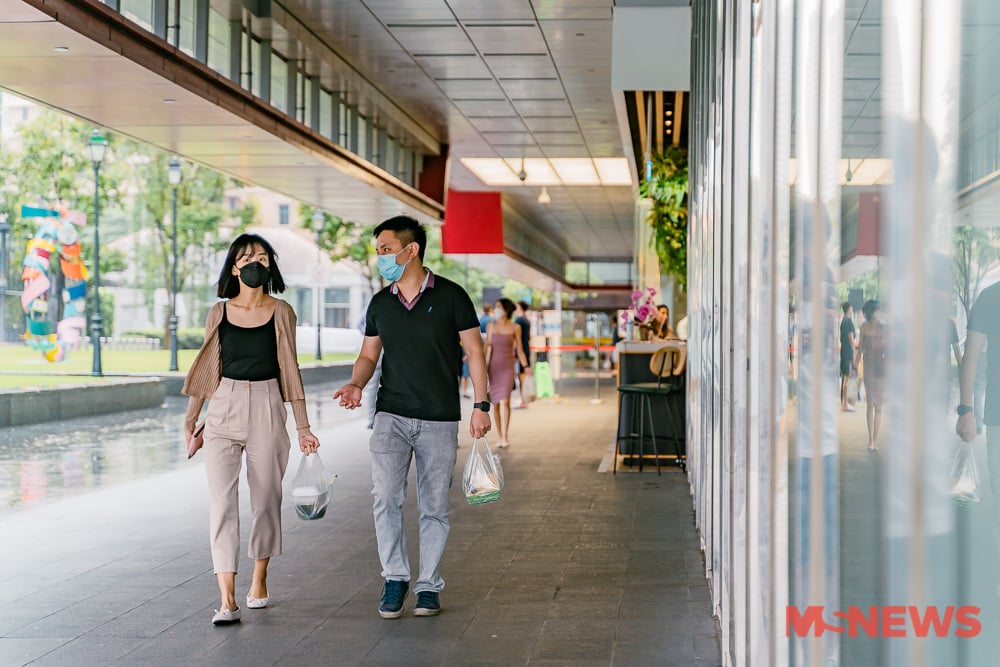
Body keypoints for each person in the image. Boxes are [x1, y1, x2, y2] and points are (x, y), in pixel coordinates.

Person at [332, 215, 490, 620]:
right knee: (385, 498)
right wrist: (355, 384)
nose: (380, 257)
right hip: (391, 414)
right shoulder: (380, 302)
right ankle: (395, 577)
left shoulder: (453, 296)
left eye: (385, 249)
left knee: (434, 505)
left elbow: (474, 352)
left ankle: (428, 586)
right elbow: (369, 355)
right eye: (379, 251)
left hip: (439, 417)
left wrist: (481, 405)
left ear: (411, 249)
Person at [182, 233, 320, 626]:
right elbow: (208, 367)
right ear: (234, 267)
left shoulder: (282, 311)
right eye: (247, 257)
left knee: (265, 500)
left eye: (262, 257)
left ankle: (259, 579)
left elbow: (289, 369)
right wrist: (192, 419)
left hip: (266, 405)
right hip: (222, 408)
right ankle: (226, 599)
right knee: (222, 504)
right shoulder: (218, 312)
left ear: (269, 266)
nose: (255, 263)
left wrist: (304, 426)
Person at [486, 298, 531, 447]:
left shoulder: (515, 327)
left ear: (506, 310)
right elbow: (486, 347)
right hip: (493, 367)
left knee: (505, 401)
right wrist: (478, 363)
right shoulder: (490, 326)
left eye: (498, 307)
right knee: (496, 404)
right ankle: (500, 436)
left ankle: (505, 435)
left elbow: (520, 349)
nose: (496, 309)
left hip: (508, 367)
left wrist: (526, 366)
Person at [853, 300, 886, 451]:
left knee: (879, 405)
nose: (879, 313)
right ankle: (870, 439)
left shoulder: (884, 329)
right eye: (877, 310)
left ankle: (875, 439)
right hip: (869, 368)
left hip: (881, 368)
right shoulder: (864, 328)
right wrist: (854, 366)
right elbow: (860, 351)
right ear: (871, 312)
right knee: (870, 404)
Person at [839, 302, 857, 412]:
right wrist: (854, 351)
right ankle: (845, 404)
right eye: (851, 307)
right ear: (849, 309)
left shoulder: (843, 321)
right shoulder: (849, 321)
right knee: (846, 378)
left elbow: (841, 338)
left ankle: (843, 402)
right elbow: (851, 338)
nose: (853, 309)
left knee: (844, 378)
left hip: (843, 350)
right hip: (848, 352)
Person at [514, 300, 532, 408]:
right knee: (523, 375)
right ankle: (523, 399)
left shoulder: (519, 320)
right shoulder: (527, 320)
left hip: (520, 351)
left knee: (521, 376)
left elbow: (515, 338)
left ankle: (523, 400)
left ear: (520, 307)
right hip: (526, 349)